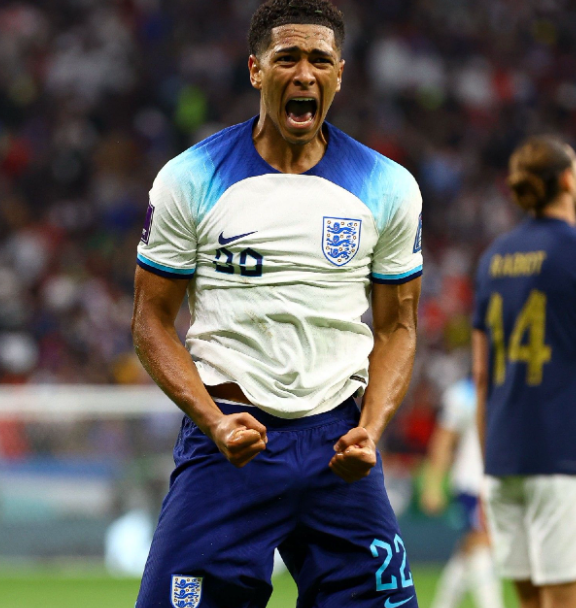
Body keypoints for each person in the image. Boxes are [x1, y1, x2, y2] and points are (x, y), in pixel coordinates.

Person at [131, 1, 423, 606]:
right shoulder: (191, 178)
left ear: (340, 73)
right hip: (229, 438)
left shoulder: (389, 186)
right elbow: (150, 320)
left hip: (339, 443)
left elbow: (398, 326)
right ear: (256, 70)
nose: (304, 73)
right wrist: (213, 422)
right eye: (287, 57)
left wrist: (371, 429)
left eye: (320, 60)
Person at [472, 136, 576, 608]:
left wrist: (487, 464)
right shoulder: (571, 249)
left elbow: (480, 374)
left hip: (502, 457)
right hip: (560, 456)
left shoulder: (493, 258)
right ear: (567, 180)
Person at [420, 377, 504, 608]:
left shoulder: (509, 384)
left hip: (498, 480)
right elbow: (444, 439)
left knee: (470, 548)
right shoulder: (464, 393)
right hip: (472, 482)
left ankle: (442, 604)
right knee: (482, 542)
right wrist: (433, 484)